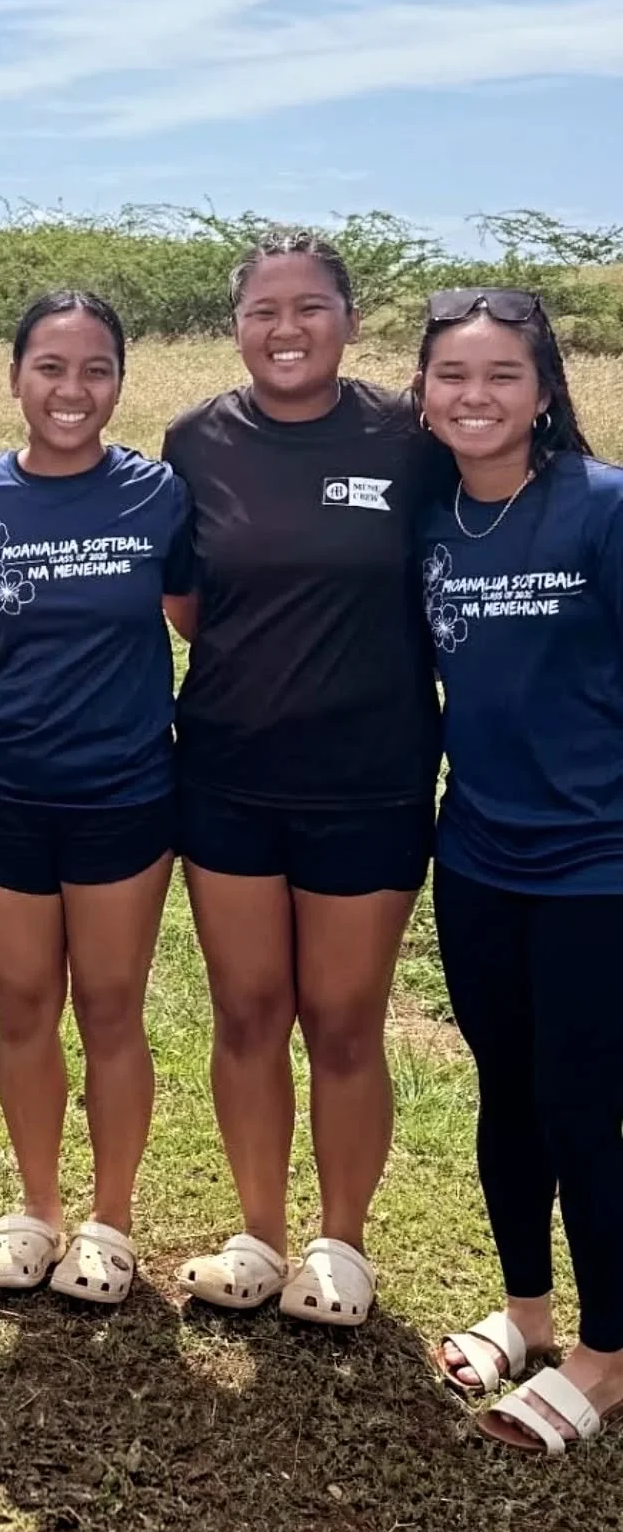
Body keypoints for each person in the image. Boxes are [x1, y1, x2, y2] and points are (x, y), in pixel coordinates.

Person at [162, 230, 442, 1325]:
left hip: (371, 778)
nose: (286, 329)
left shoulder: (407, 439)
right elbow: (188, 605)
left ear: (351, 320)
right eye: (263, 310)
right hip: (228, 772)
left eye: (309, 307)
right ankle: (261, 1235)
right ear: (237, 326)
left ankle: (342, 1245)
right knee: (246, 1009)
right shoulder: (196, 442)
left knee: (343, 1018)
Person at [417, 289, 623, 1454]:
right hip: (480, 853)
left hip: (598, 865)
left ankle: (607, 1356)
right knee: (508, 1091)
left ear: (544, 391)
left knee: (582, 1107)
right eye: (453, 375)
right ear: (425, 393)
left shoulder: (604, 511)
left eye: (502, 376)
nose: (476, 397)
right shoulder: (434, 520)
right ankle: (531, 1316)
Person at [0, 292, 190, 1305]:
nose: (72, 389)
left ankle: (112, 1218)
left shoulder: (159, 495)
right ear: (15, 378)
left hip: (126, 792)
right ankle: (38, 1207)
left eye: (96, 369)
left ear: (119, 383)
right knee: (21, 1006)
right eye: (50, 367)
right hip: (8, 784)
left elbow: (194, 615)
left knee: (109, 1007)